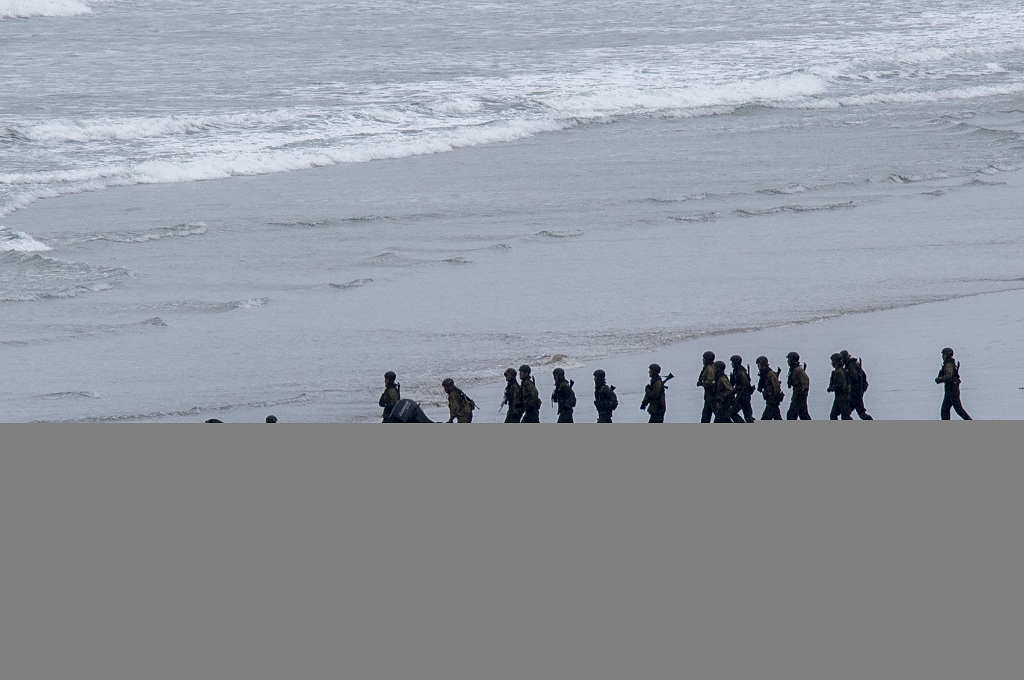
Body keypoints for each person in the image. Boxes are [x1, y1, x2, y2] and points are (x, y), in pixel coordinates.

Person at [935, 347, 972, 420]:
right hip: (949, 391)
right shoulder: (948, 363)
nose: (942, 356)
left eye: (944, 355)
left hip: (952, 391)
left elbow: (949, 377)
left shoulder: (949, 364)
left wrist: (940, 379)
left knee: (958, 410)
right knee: (945, 410)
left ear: (947, 355)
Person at [840, 350, 873, 420]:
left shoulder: (852, 366)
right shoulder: (852, 364)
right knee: (846, 414)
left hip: (855, 394)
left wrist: (852, 390)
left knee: (861, 413)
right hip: (855, 393)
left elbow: (854, 380)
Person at [755, 356, 785, 420]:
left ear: (762, 363)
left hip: (772, 400)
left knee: (765, 418)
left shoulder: (769, 374)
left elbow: (776, 386)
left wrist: (775, 398)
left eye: (758, 364)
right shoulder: (764, 374)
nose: (758, 366)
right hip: (770, 399)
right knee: (777, 417)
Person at [729, 355, 756, 423]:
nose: (731, 364)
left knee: (733, 413)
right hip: (745, 396)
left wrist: (736, 390)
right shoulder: (738, 371)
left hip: (742, 397)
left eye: (732, 362)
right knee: (748, 417)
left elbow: (745, 384)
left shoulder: (740, 372)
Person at [786, 351, 812, 420]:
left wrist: (802, 393)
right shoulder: (793, 370)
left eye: (788, 359)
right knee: (803, 414)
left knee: (791, 415)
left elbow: (806, 381)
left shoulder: (798, 370)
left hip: (799, 396)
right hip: (797, 395)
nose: (787, 361)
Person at [827, 353, 853, 420]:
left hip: (843, 397)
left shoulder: (839, 372)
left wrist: (832, 388)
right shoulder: (840, 371)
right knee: (833, 415)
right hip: (839, 397)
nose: (832, 363)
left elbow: (841, 385)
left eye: (833, 361)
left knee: (845, 417)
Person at [697, 351, 717, 423]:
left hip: (711, 396)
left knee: (715, 415)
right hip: (709, 396)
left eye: (704, 358)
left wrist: (701, 383)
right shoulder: (712, 367)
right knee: (706, 415)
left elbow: (710, 382)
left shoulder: (709, 368)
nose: (703, 360)